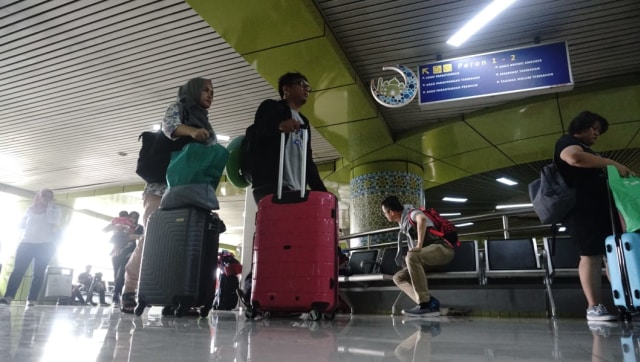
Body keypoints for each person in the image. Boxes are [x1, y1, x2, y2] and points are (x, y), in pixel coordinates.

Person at [120, 77, 217, 313]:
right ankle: (130, 290)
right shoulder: (179, 108)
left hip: (186, 190)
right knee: (151, 238)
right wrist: (193, 132)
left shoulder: (205, 121)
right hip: (160, 188)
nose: (210, 94)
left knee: (180, 242)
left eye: (213, 91)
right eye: (205, 89)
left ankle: (173, 293)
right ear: (193, 91)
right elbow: (170, 127)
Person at [554, 110, 632, 322]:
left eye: (599, 131)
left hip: (600, 210)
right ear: (580, 126)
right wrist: (612, 164)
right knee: (591, 256)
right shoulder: (567, 142)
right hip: (582, 211)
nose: (597, 133)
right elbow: (573, 158)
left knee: (613, 258)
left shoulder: (589, 151)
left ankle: (626, 301)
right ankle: (594, 307)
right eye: (593, 128)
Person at [248, 72, 327, 204]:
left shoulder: (304, 122)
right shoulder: (271, 107)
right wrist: (279, 126)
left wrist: (323, 193)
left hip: (296, 189)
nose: (307, 89)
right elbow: (258, 131)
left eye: (309, 87)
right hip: (272, 186)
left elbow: (307, 161)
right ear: (286, 89)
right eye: (302, 84)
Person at [381, 195, 454, 317]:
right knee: (398, 277)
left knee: (412, 256)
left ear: (391, 212)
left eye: (385, 213)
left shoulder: (412, 213)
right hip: (427, 257)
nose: (385, 215)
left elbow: (422, 219)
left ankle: (424, 305)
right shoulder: (403, 222)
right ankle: (430, 303)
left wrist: (419, 245)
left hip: (442, 249)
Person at [0, 189, 62, 307]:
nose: (47, 198)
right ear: (39, 196)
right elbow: (22, 225)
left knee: (38, 272)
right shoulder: (29, 209)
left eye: (50, 196)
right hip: (26, 243)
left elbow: (52, 221)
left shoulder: (55, 210)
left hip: (45, 246)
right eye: (44, 196)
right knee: (18, 270)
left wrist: (49, 207)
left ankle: (32, 299)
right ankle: (8, 296)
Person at [103, 211, 143, 306]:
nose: (132, 219)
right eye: (131, 217)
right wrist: (115, 227)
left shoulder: (139, 228)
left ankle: (116, 295)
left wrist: (133, 237)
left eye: (135, 217)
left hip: (129, 253)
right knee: (116, 274)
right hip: (116, 252)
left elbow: (142, 237)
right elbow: (105, 230)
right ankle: (118, 293)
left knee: (122, 273)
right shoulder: (122, 224)